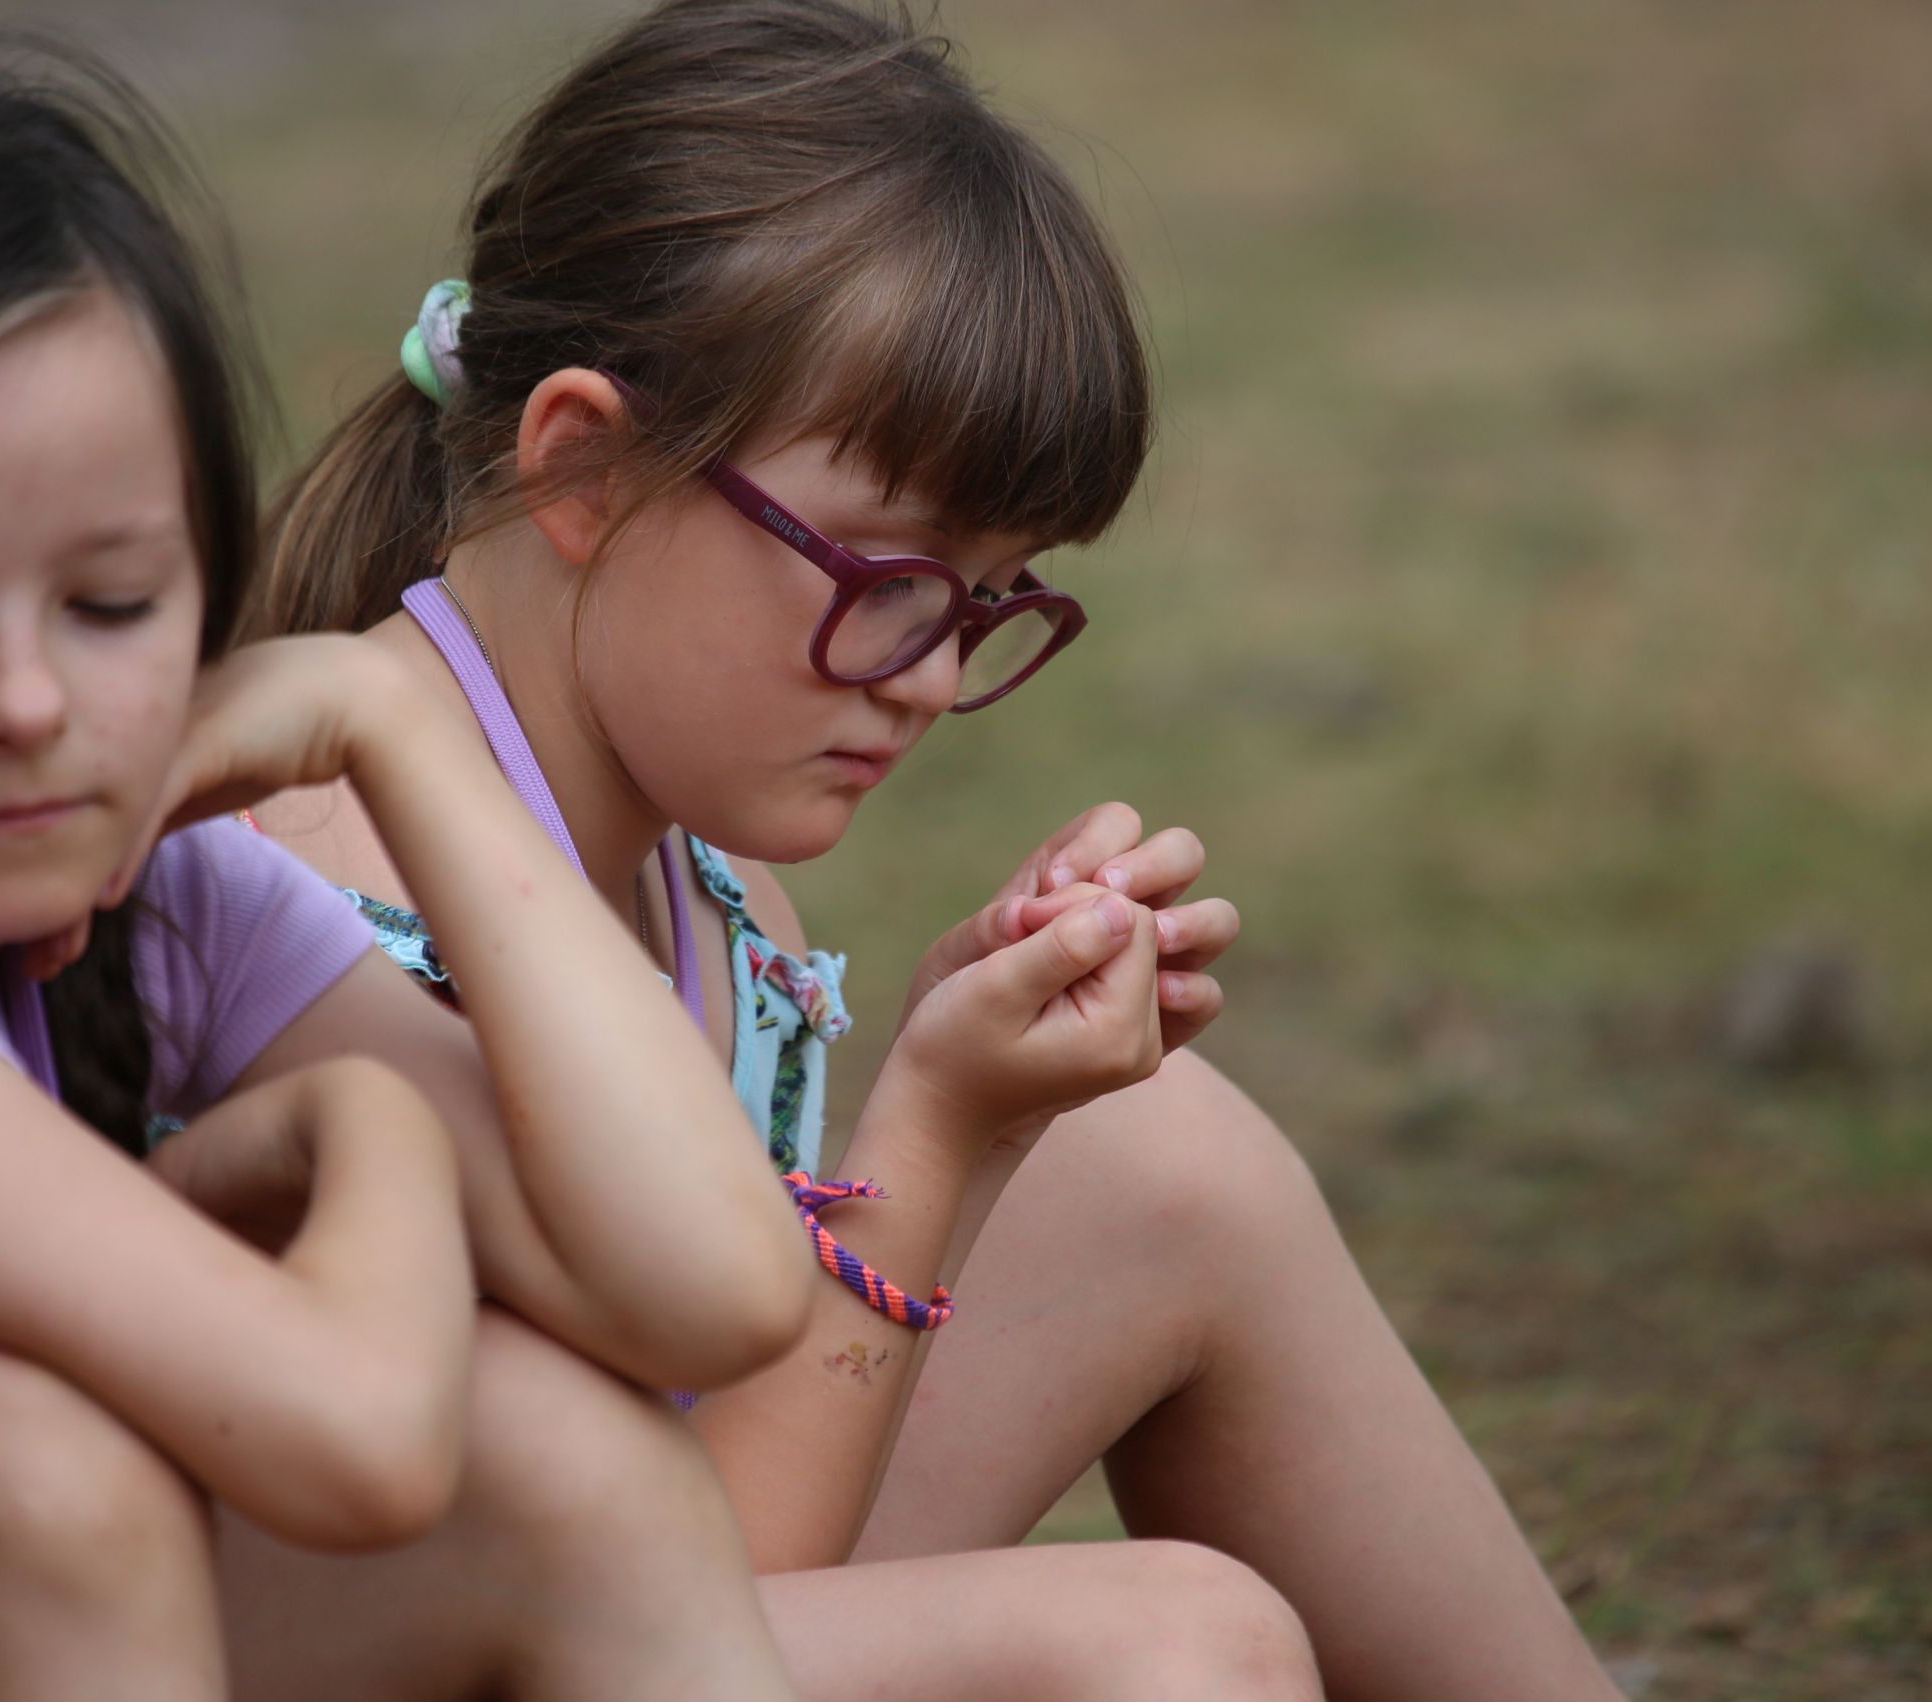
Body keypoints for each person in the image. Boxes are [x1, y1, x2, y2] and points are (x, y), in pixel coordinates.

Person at [255, 2, 1621, 1697]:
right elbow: (665, 1617)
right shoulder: (321, 905)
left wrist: (996, 1109)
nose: (927, 676)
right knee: (1179, 1640)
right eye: (886, 579)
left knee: (1163, 1157)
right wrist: (937, 1126)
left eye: (986, 598)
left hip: (630, 1606)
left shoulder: (707, 884)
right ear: (585, 469)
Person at [0, 45, 815, 1700]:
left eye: (110, 604)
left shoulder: (140, 883)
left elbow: (719, 1288)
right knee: (26, 1482)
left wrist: (397, 727)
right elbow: (354, 1438)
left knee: (570, 1464)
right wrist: (368, 1123)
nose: (28, 704)